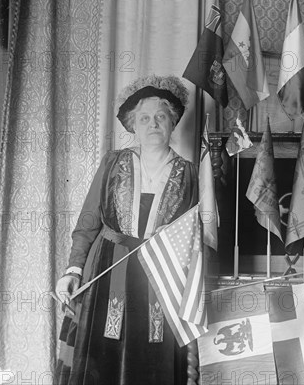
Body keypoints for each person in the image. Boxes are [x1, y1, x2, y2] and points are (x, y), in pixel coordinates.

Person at [54, 75, 197, 384]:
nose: (153, 124)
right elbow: (89, 221)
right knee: (102, 353)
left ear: (173, 123)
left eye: (161, 116)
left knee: (154, 351)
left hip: (161, 275)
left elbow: (197, 236)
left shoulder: (189, 173)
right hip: (108, 268)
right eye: (144, 118)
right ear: (133, 125)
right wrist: (73, 269)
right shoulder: (113, 162)